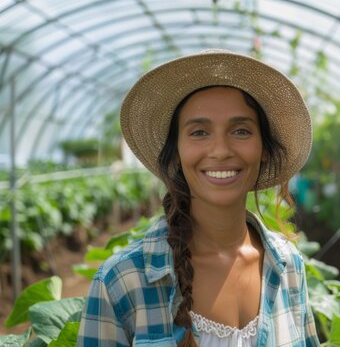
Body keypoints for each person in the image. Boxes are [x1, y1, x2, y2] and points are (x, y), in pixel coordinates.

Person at [77, 49, 320, 347]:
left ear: (264, 149)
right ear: (175, 152)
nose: (220, 150)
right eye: (199, 132)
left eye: (241, 131)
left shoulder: (287, 266)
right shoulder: (122, 280)